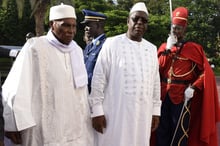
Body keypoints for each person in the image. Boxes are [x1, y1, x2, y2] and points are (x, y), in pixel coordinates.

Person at [2, 3, 94, 146]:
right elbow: (16, 87)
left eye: (74, 26)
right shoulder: (35, 47)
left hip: (75, 128)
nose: (71, 30)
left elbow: (82, 93)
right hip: (45, 128)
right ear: (52, 24)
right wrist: (12, 124)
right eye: (65, 25)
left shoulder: (76, 50)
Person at [89, 2, 161, 146]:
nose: (140, 23)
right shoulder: (111, 44)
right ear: (128, 21)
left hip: (143, 113)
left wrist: (155, 111)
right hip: (116, 113)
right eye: (136, 19)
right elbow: (98, 79)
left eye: (144, 21)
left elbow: (155, 82)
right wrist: (96, 111)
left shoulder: (151, 49)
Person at [156, 7, 220, 146]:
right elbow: (157, 69)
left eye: (179, 28)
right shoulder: (163, 48)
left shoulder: (194, 48)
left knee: (179, 131)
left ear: (184, 29)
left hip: (181, 96)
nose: (176, 31)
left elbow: (205, 73)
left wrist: (194, 87)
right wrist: (167, 49)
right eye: (174, 28)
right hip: (162, 95)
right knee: (161, 130)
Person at [81, 9, 107, 93]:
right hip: (85, 93)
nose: (86, 28)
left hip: (97, 95)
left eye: (88, 24)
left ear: (98, 25)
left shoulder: (106, 46)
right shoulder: (89, 46)